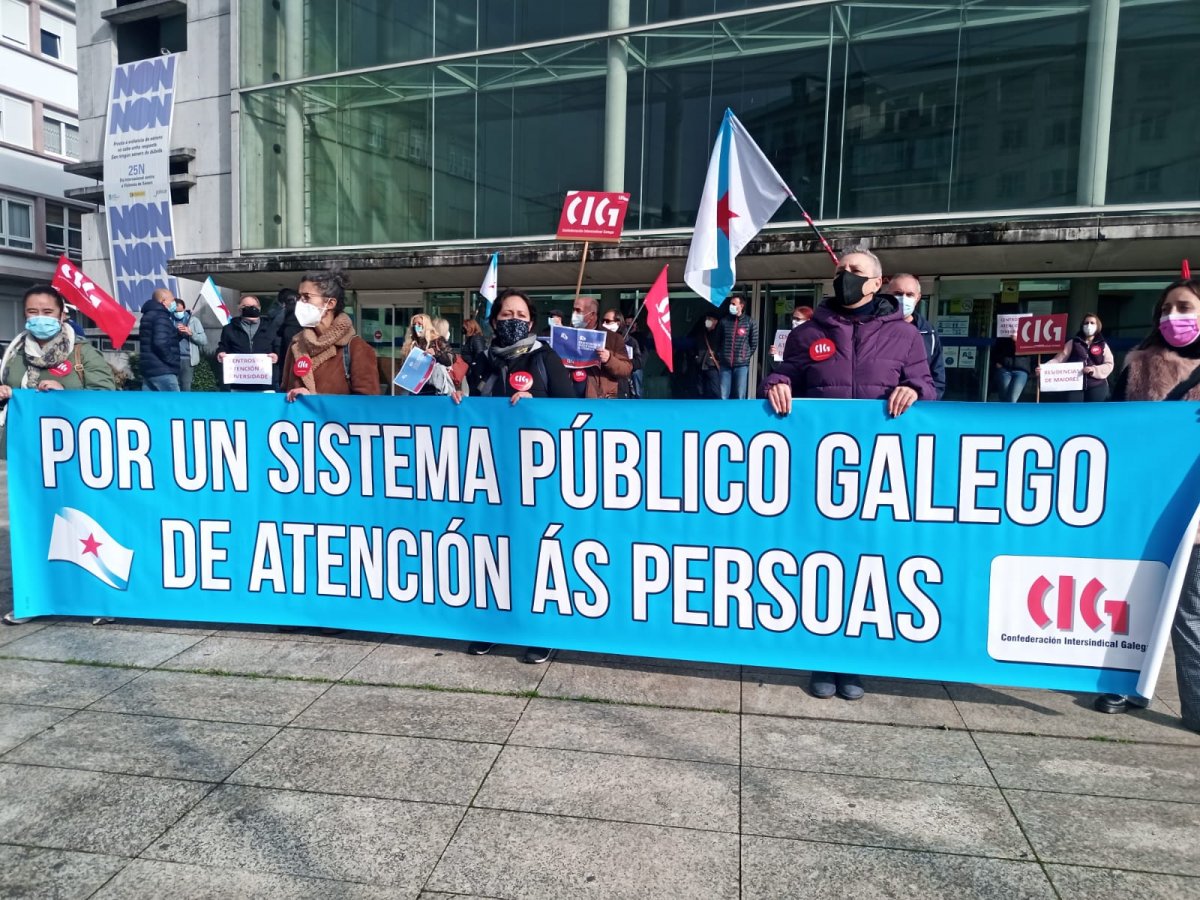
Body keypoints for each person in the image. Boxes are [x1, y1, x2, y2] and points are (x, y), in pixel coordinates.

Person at [761, 248, 937, 702]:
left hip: (879, 473)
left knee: (866, 566)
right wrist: (776, 384)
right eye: (841, 269)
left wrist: (913, 390)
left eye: (856, 271)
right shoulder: (808, 332)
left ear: (877, 283)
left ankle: (854, 660)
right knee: (823, 563)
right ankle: (823, 656)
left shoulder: (904, 335)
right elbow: (783, 375)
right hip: (820, 471)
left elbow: (927, 386)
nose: (845, 275)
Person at [1093, 278, 1200, 733]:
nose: (1173, 316)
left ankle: (1196, 704)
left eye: (1185, 307)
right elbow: (1112, 428)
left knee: (1189, 610)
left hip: (1194, 513)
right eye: (1166, 308)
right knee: (1133, 600)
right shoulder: (1138, 364)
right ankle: (1123, 683)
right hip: (1142, 508)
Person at [453, 289, 572, 665]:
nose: (513, 320)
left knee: (533, 552)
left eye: (520, 314)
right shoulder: (483, 361)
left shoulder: (545, 358)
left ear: (531, 322)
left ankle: (539, 630)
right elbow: (470, 403)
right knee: (491, 551)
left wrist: (538, 407)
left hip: (536, 476)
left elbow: (571, 410)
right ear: (494, 321)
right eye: (506, 314)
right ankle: (493, 625)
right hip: (490, 474)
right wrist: (457, 401)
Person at [1, 284, 115, 625]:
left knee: (86, 526)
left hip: (76, 458)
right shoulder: (14, 355)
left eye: (47, 312)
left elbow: (107, 394)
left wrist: (64, 392)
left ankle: (98, 601)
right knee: (33, 526)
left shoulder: (81, 352)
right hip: (29, 458)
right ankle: (33, 598)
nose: (40, 318)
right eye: (32, 312)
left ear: (63, 314)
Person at [282, 268, 379, 399]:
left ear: (330, 303)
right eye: (299, 297)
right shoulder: (296, 345)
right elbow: (285, 392)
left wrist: (313, 399)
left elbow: (367, 402)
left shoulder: (356, 348)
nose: (299, 303)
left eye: (306, 297)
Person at [888, 273, 945, 399]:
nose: (903, 299)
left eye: (909, 295)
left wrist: (922, 398)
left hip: (914, 405)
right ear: (888, 295)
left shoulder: (928, 332)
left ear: (918, 298)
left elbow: (937, 377)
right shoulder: (874, 327)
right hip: (879, 404)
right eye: (897, 293)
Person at [1040, 313, 1114, 402]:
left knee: (1094, 410)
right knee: (1073, 409)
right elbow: (1058, 359)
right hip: (1074, 385)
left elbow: (1109, 364)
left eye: (1092, 323)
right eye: (1086, 323)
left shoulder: (1103, 345)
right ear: (1082, 325)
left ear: (1097, 326)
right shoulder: (1073, 342)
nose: (1089, 325)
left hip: (1097, 385)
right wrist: (1044, 369)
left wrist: (1094, 370)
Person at [570, 297, 632, 399]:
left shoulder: (613, 338)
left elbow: (626, 369)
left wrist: (609, 359)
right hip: (572, 398)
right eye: (573, 310)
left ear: (592, 315)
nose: (574, 314)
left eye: (578, 311)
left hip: (599, 399)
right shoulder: (568, 334)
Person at [217, 296, 279, 391]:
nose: (250, 309)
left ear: (259, 308)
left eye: (253, 306)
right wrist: (220, 353)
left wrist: (277, 356)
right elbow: (223, 347)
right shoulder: (229, 329)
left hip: (265, 385)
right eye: (245, 306)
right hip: (238, 385)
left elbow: (279, 348)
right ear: (239, 309)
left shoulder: (271, 328)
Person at [399, 313, 455, 395]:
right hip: (416, 386)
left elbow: (451, 359)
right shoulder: (411, 343)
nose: (416, 326)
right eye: (414, 324)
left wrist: (436, 353)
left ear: (426, 325)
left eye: (419, 324)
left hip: (434, 386)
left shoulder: (437, 340)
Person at [139, 288, 182, 391]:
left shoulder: (148, 315)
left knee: (150, 401)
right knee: (173, 401)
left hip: (149, 369)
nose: (174, 303)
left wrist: (178, 335)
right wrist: (172, 360)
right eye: (172, 300)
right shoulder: (161, 316)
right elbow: (160, 343)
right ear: (163, 301)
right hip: (163, 369)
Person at [715, 294, 758, 399]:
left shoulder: (750, 322)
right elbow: (717, 341)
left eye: (734, 304)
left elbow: (753, 343)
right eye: (730, 304)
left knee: (740, 394)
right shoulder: (724, 322)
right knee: (723, 395)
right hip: (725, 364)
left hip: (741, 365)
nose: (731, 306)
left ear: (741, 306)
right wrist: (721, 355)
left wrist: (745, 356)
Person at [173, 298, 207, 392]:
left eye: (180, 311)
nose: (177, 313)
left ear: (184, 309)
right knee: (172, 387)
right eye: (175, 311)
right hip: (172, 358)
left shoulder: (193, 321)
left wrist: (191, 333)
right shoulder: (169, 320)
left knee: (186, 387)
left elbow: (204, 340)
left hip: (187, 359)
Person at [690, 311, 722, 398]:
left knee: (715, 390)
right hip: (700, 364)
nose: (707, 320)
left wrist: (717, 357)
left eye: (709, 319)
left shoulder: (719, 334)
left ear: (715, 321)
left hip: (712, 365)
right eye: (706, 318)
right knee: (700, 390)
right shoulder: (700, 332)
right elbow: (695, 346)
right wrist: (696, 357)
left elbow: (723, 348)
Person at [992, 336, 1029, 402]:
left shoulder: (1027, 333)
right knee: (1003, 395)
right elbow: (996, 348)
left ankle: (1008, 408)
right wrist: (997, 361)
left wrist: (1019, 341)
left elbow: (1032, 349)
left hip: (1021, 369)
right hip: (1004, 367)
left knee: (1012, 399)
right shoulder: (1003, 335)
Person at [461, 317, 489, 394]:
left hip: (476, 373)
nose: (463, 329)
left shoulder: (476, 338)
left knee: (475, 392)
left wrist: (474, 367)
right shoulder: (471, 339)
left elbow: (480, 356)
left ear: (471, 327)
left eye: (465, 327)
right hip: (472, 372)